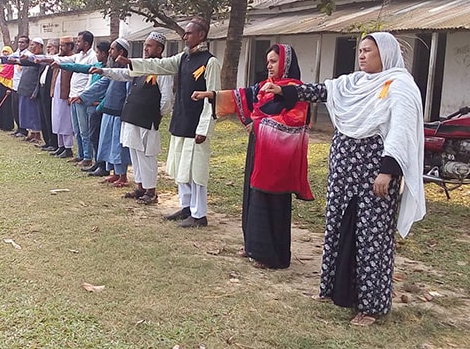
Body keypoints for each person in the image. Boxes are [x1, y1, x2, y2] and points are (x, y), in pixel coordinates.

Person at [262, 32, 425, 326]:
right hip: (344, 167)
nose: (361, 56)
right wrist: (286, 92)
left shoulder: (399, 86)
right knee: (338, 225)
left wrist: (387, 170)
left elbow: (401, 130)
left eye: (368, 51)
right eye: (360, 50)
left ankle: (371, 305)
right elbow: (322, 91)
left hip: (375, 171)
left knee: (372, 234)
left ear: (384, 55)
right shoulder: (352, 83)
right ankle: (335, 290)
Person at [192, 44, 313, 268]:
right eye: (267, 61)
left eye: (274, 61)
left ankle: (271, 256)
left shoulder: (296, 90)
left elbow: (295, 120)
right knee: (253, 194)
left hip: (278, 153)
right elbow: (244, 95)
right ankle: (253, 247)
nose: (269, 65)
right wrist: (209, 95)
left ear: (286, 63)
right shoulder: (266, 87)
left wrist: (259, 124)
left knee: (271, 198)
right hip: (259, 147)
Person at [118, 17, 221, 227]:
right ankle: (186, 207)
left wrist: (205, 128)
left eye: (189, 33)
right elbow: (161, 64)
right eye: (185, 33)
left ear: (201, 35)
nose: (185, 36)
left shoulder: (210, 62)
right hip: (181, 121)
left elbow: (213, 98)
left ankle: (199, 214)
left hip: (196, 126)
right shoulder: (183, 58)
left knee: (196, 171)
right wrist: (132, 63)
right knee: (182, 168)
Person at [92, 31, 174, 204]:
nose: (145, 48)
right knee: (135, 153)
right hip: (131, 116)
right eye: (145, 45)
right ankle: (140, 187)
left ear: (159, 49)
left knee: (146, 155)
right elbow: (123, 75)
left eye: (149, 45)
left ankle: (151, 191)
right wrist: (104, 71)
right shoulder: (141, 66)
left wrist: (157, 114)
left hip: (147, 119)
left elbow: (166, 99)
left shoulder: (163, 69)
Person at [80, 38, 132, 186]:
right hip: (108, 111)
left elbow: (128, 93)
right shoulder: (113, 67)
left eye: (112, 49)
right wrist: (83, 96)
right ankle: (115, 173)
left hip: (118, 113)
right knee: (108, 144)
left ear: (121, 52)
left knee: (117, 146)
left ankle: (123, 176)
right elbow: (103, 83)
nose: (110, 52)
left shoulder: (126, 69)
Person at [41, 31, 98, 165]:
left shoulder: (92, 57)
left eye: (79, 41)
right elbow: (64, 60)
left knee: (84, 130)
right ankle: (80, 154)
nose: (77, 43)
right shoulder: (79, 56)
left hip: (81, 97)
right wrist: (44, 59)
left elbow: (91, 79)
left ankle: (87, 157)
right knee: (77, 129)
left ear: (86, 43)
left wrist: (83, 96)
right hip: (73, 96)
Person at [48, 37, 76, 159]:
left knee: (65, 121)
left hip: (66, 95)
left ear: (70, 46)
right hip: (56, 94)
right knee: (57, 119)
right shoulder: (59, 58)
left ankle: (68, 147)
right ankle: (60, 146)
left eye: (63, 46)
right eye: (60, 46)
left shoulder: (73, 59)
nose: (61, 48)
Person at [0, 46, 15, 132]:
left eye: (7, 52)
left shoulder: (11, 65)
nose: (5, 54)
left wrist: (10, 88)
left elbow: (12, 76)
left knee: (7, 106)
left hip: (7, 86)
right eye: (4, 52)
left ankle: (7, 125)